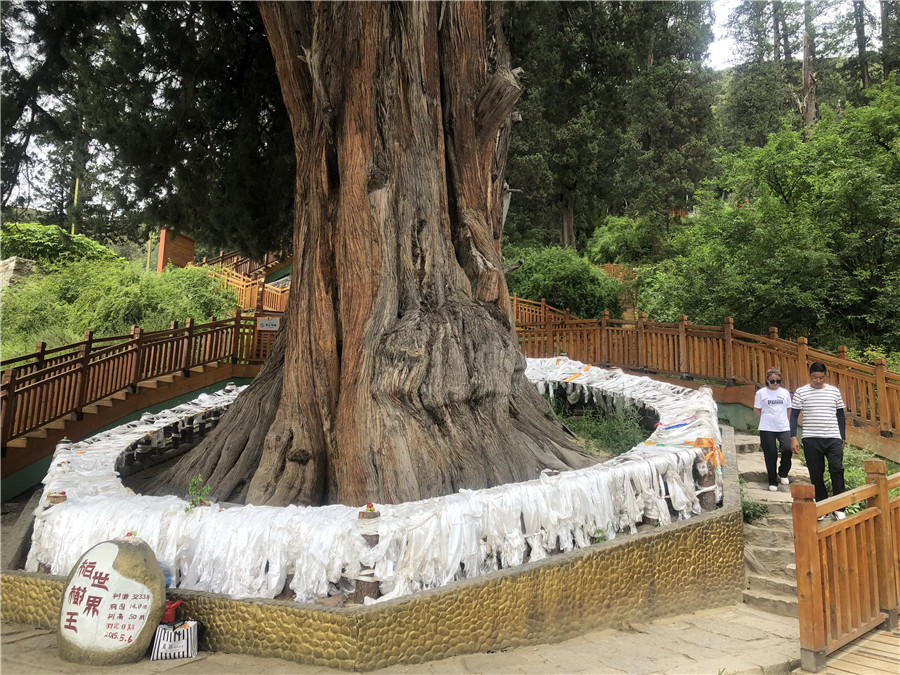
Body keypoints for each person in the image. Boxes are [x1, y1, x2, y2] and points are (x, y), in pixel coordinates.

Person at [790, 362, 847, 520]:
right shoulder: (801, 392)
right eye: (815, 377)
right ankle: (822, 506)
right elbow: (794, 415)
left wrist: (842, 436)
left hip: (833, 437)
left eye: (821, 377)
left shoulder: (834, 392)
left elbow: (840, 415)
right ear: (810, 376)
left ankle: (839, 507)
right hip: (811, 438)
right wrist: (793, 437)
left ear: (825, 376)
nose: (818, 380)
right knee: (816, 473)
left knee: (837, 469)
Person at [754, 367, 794, 492]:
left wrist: (786, 421)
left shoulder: (784, 393)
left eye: (778, 381)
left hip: (783, 426)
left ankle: (783, 472)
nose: (775, 383)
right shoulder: (761, 393)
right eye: (772, 381)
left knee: (788, 449)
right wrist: (763, 420)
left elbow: (789, 408)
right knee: (770, 454)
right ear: (767, 380)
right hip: (767, 427)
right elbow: (757, 409)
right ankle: (772, 480)